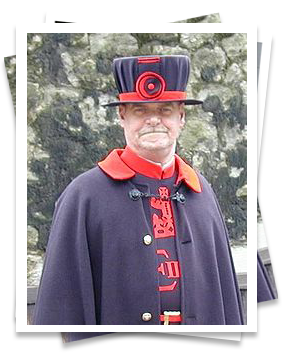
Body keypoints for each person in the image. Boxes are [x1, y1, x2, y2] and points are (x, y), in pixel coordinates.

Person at [33, 55, 244, 326]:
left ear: (182, 117)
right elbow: (60, 310)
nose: (153, 120)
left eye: (165, 110)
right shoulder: (83, 196)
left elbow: (224, 293)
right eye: (140, 111)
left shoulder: (201, 191)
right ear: (123, 116)